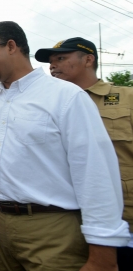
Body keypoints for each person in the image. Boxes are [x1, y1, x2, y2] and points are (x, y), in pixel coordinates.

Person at [0, 21, 129, 271]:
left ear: (11, 46)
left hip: (52, 230)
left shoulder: (65, 97)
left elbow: (96, 174)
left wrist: (103, 255)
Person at [34, 37, 133, 270]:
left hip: (125, 219)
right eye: (50, 61)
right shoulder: (45, 105)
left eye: (60, 58)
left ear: (88, 59)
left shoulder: (127, 99)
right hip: (67, 222)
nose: (52, 66)